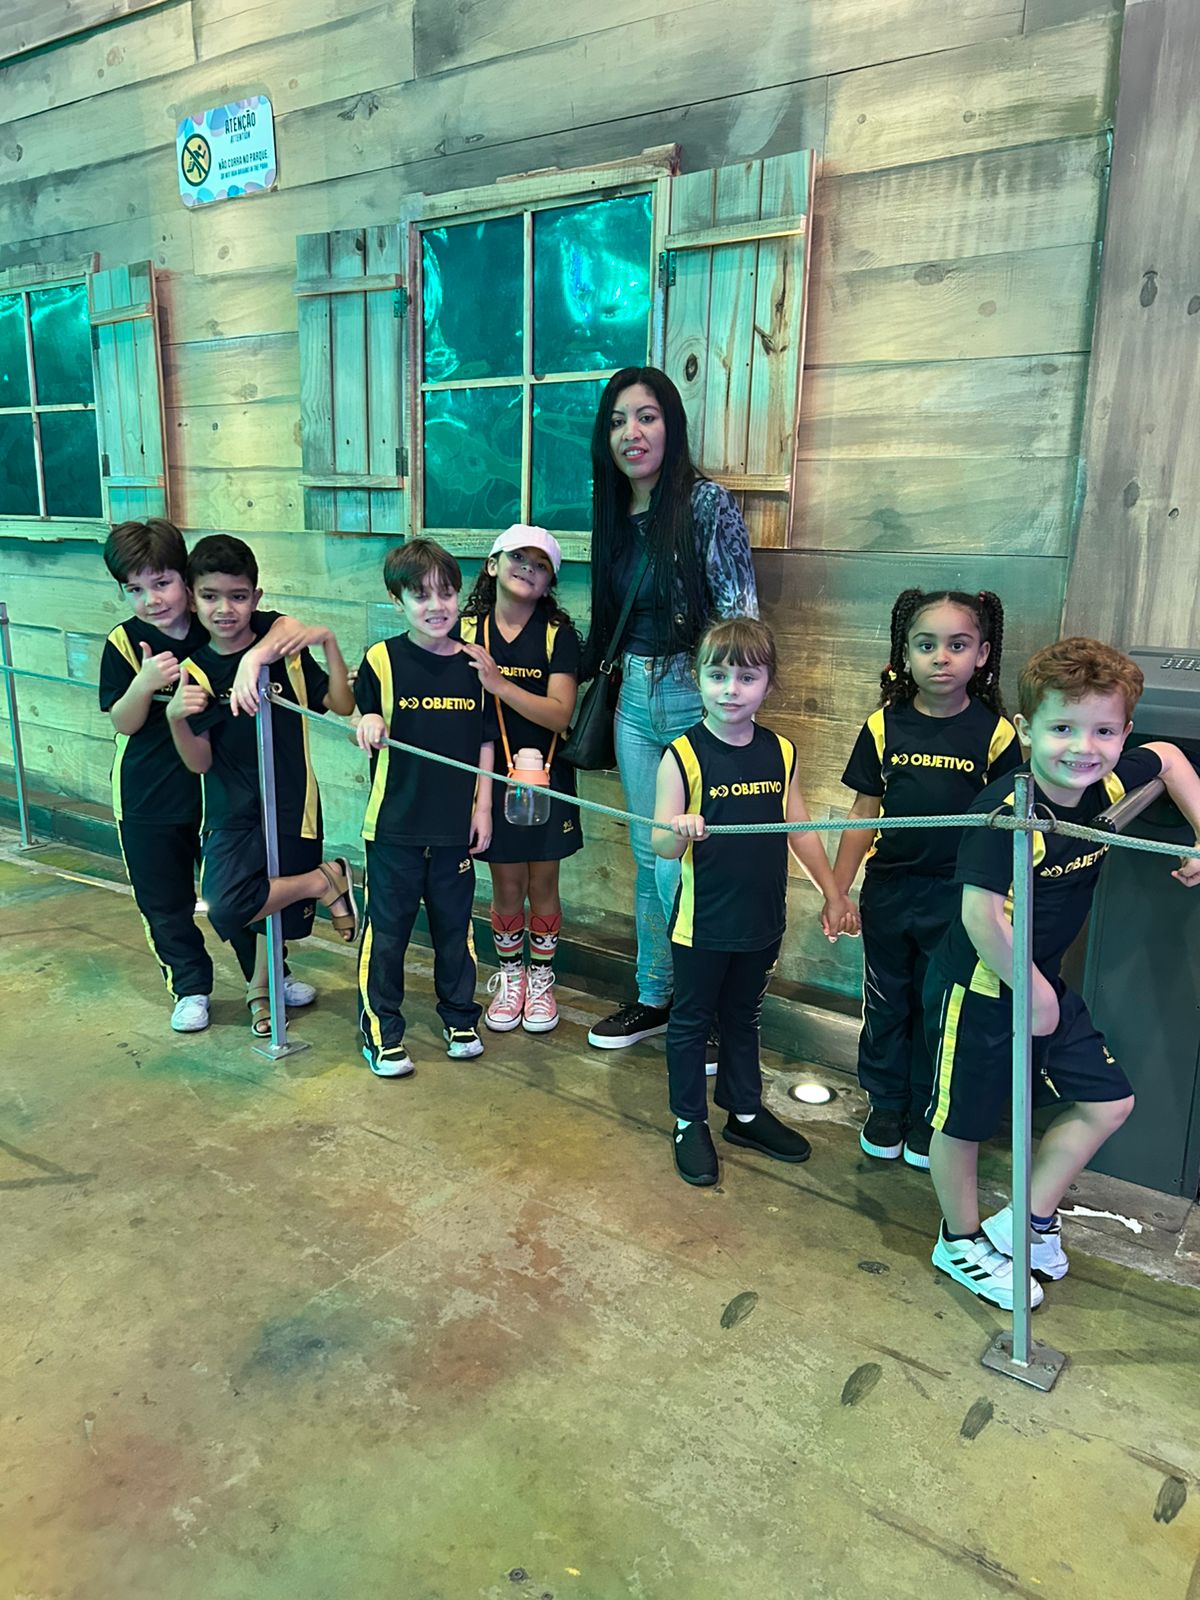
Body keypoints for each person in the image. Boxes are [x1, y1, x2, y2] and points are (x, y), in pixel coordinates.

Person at [923, 637, 1200, 1310]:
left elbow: (1168, 758)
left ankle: (1027, 1221)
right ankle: (959, 1241)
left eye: (1104, 731)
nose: (1084, 748)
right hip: (983, 986)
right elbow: (980, 915)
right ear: (1026, 729)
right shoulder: (1008, 812)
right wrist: (1033, 990)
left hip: (1040, 981)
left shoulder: (1109, 783)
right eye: (1063, 729)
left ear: (1124, 732)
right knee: (962, 1125)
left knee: (1109, 1101)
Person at [581, 366, 759, 1057]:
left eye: (646, 416)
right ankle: (655, 997)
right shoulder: (612, 510)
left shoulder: (706, 504)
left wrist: (727, 708)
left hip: (695, 691)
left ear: (671, 426)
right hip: (631, 695)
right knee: (648, 853)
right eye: (618, 420)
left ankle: (704, 1010)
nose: (632, 432)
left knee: (693, 859)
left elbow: (740, 616)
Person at [653, 618, 857, 1186]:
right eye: (718, 676)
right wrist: (678, 828)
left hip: (762, 920)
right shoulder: (683, 756)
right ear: (697, 679)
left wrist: (833, 892)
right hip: (702, 924)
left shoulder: (780, 751)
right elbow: (661, 845)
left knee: (744, 1017)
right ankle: (688, 1121)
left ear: (769, 683)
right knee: (692, 1021)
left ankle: (744, 1113)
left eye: (747, 677)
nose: (731, 690)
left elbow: (800, 829)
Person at [98, 518, 315, 1033]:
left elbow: (288, 627)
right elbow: (122, 721)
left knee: (237, 890)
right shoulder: (126, 641)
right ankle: (189, 986)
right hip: (150, 795)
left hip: (222, 792)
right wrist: (146, 684)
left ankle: (268, 977)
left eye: (162, 583)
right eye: (135, 589)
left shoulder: (218, 620)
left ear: (187, 579)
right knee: (164, 898)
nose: (152, 600)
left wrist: (253, 660)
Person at [834, 589, 1020, 1171]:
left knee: (940, 1005)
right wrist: (838, 891)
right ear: (905, 655)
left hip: (961, 900)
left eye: (957, 645)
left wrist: (1006, 901)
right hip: (890, 892)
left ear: (982, 655)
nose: (942, 657)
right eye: (926, 645)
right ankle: (885, 1104)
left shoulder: (997, 735)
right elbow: (863, 814)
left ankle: (927, 1110)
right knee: (887, 1001)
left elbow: (1011, 829)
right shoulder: (882, 726)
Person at [166, 535, 358, 1037]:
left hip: (293, 802)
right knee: (228, 901)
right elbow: (199, 762)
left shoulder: (283, 652)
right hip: (230, 809)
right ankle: (325, 880)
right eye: (210, 596)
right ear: (192, 598)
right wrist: (175, 719)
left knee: (280, 916)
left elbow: (340, 704)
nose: (224, 609)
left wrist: (329, 643)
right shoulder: (195, 670)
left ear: (256, 597)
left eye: (237, 596)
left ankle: (263, 989)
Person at [354, 538, 495, 1078]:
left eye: (446, 593)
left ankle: (460, 1018)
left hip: (454, 829)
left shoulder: (475, 664)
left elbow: (486, 741)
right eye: (421, 596)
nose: (436, 606)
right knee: (386, 936)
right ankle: (382, 1032)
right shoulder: (382, 659)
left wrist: (483, 807)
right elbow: (360, 715)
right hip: (394, 828)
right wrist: (368, 721)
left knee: (456, 932)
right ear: (398, 601)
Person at [459, 525, 582, 1035]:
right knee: (506, 884)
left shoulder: (559, 634)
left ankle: (541, 980)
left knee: (543, 881)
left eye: (540, 564)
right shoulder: (466, 629)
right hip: (490, 780)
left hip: (547, 776)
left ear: (550, 580)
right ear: (492, 565)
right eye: (518, 558)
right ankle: (510, 977)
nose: (528, 569)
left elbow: (559, 714)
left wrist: (498, 684)